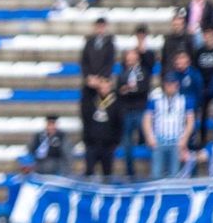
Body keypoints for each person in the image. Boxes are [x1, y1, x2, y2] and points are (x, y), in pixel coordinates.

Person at [145, 72, 194, 178]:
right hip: (160, 140)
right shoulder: (155, 100)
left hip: (176, 140)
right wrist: (150, 136)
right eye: (168, 84)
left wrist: (184, 139)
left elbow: (190, 121)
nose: (170, 87)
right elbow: (147, 119)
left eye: (173, 84)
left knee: (174, 174)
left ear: (177, 85)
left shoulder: (185, 100)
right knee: (156, 173)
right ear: (164, 85)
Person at [115, 48, 152, 179]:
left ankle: (152, 169)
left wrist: (130, 90)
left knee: (148, 139)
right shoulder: (123, 73)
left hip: (140, 110)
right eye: (128, 57)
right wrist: (129, 90)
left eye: (132, 56)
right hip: (127, 112)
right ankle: (129, 172)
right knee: (127, 143)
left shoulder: (144, 72)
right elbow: (119, 91)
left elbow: (144, 89)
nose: (130, 59)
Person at [82, 77, 121, 178]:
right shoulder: (92, 101)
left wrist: (115, 141)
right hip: (92, 144)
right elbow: (84, 111)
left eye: (106, 87)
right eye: (101, 87)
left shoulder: (116, 102)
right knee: (89, 173)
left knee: (107, 174)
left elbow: (119, 123)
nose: (104, 90)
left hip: (108, 145)